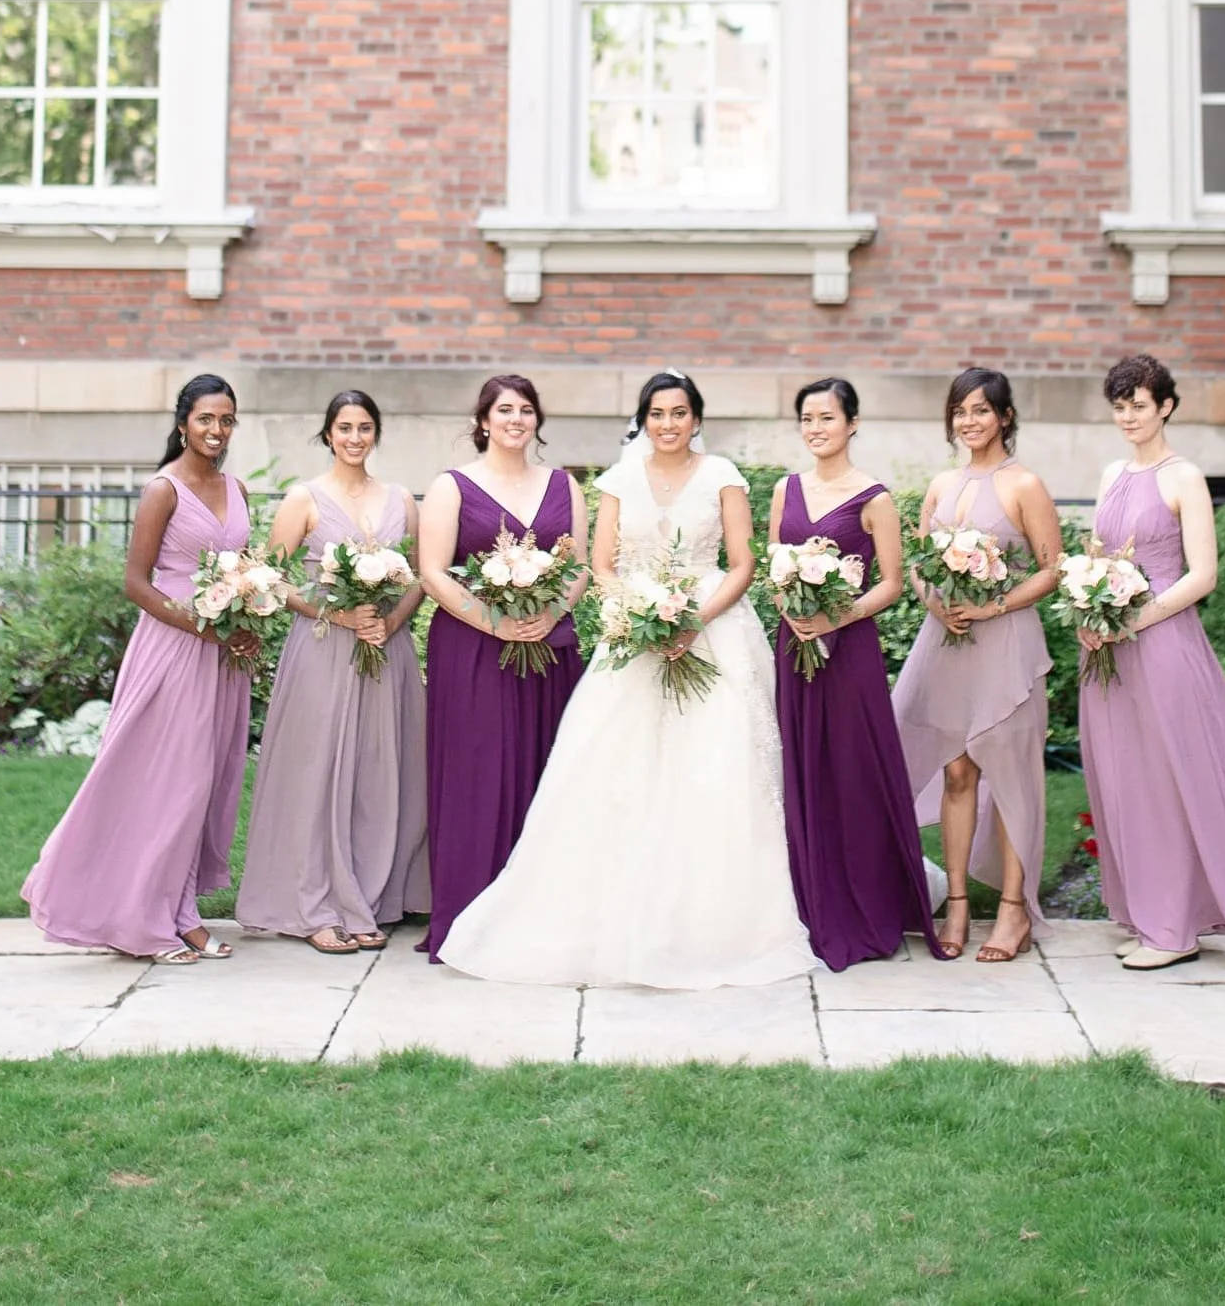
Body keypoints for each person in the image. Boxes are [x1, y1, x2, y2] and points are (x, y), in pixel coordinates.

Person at [440, 369, 815, 990]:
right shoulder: (616, 480)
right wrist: (638, 611)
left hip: (713, 626)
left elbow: (743, 562)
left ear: (696, 418)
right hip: (635, 631)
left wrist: (693, 618)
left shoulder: (723, 475)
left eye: (679, 413)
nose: (668, 424)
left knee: (717, 768)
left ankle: (715, 918)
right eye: (657, 414)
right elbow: (602, 564)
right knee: (612, 766)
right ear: (643, 420)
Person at [1080, 353, 1225, 969]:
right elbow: (1099, 557)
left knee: (1167, 782)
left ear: (1167, 407)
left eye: (1140, 404)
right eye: (1120, 405)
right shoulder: (1110, 474)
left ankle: (1175, 931)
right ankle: (1151, 914)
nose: (1128, 416)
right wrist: (1090, 611)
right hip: (1107, 651)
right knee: (1123, 780)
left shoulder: (1184, 477)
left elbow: (1202, 575)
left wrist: (1137, 618)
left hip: (1162, 646)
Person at [23, 374, 254, 962]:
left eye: (226, 419)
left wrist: (249, 617)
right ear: (183, 423)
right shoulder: (163, 490)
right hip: (175, 651)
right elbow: (135, 583)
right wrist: (202, 624)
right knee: (167, 785)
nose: (217, 429)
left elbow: (244, 569)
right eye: (206, 418)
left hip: (222, 657)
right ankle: (141, 920)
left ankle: (183, 913)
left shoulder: (238, 487)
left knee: (205, 784)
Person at [237, 389, 429, 955]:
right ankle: (316, 905)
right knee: (318, 772)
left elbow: (420, 576)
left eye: (364, 427)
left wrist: (392, 622)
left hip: (385, 651)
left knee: (380, 770)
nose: (354, 437)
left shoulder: (401, 499)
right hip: (323, 649)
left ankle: (369, 897)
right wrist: (336, 611)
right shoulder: (305, 498)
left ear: (376, 434)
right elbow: (269, 578)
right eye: (344, 427)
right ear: (328, 434)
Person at [772, 377, 943, 968]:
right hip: (792, 647)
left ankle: (866, 905)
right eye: (807, 419)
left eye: (826, 418)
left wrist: (835, 614)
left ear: (851, 424)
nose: (816, 429)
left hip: (850, 655)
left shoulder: (875, 498)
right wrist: (794, 612)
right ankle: (807, 900)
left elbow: (893, 584)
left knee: (851, 771)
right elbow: (776, 568)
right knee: (799, 769)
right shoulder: (785, 490)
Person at [892, 367, 1062, 961]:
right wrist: (933, 602)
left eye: (982, 410)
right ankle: (958, 903)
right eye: (960, 411)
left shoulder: (1025, 485)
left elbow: (1050, 568)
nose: (970, 421)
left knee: (1012, 773)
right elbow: (918, 563)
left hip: (1005, 643)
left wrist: (995, 606)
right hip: (947, 643)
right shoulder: (941, 484)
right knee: (957, 771)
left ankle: (1015, 912)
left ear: (1005, 417)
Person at [416, 374, 587, 960]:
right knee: (479, 776)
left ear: (537, 421)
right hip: (472, 649)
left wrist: (550, 611)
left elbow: (582, 566)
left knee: (547, 774)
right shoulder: (452, 486)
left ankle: (540, 916)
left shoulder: (564, 485)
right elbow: (433, 572)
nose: (516, 419)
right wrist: (496, 622)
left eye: (526, 410)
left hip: (548, 647)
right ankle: (469, 917)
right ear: (484, 421)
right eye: (504, 410)